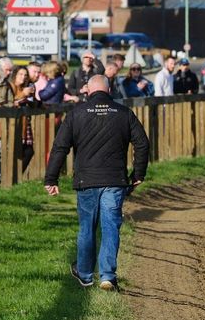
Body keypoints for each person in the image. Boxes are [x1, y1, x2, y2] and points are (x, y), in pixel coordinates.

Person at [44, 75, 149, 291]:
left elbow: (60, 147)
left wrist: (51, 178)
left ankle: (84, 274)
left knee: (87, 228)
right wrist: (138, 173)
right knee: (111, 226)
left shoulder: (76, 114)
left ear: (87, 91)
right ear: (109, 90)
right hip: (114, 179)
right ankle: (108, 276)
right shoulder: (124, 113)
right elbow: (142, 143)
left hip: (86, 180)